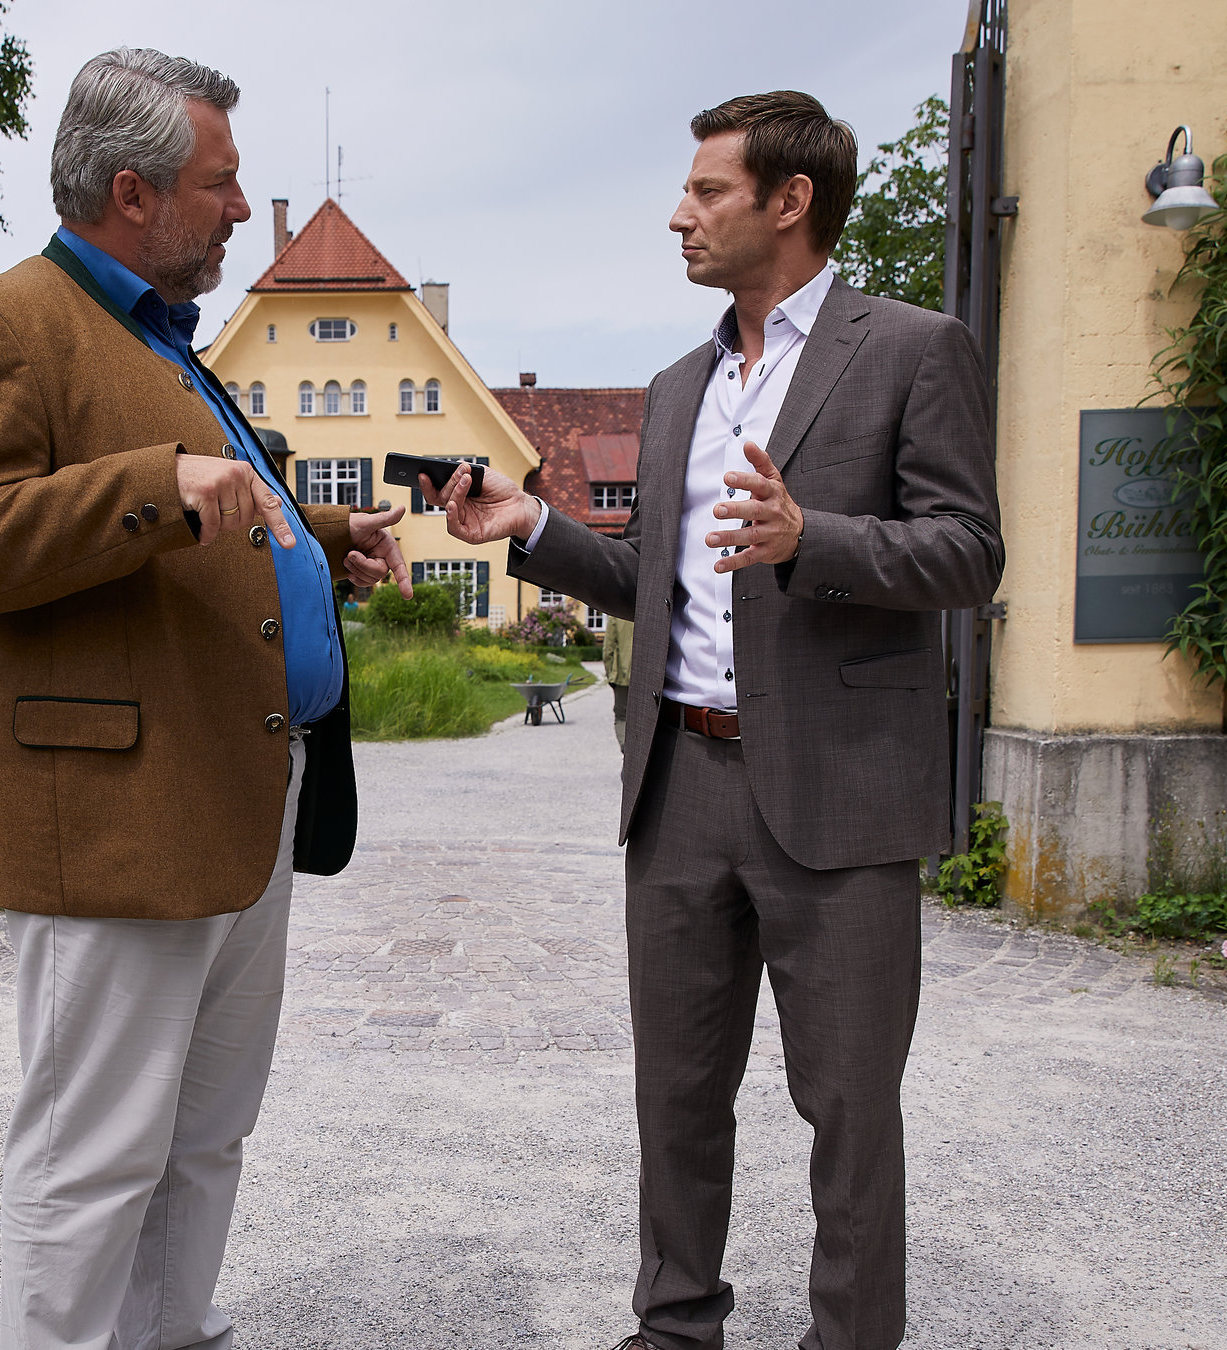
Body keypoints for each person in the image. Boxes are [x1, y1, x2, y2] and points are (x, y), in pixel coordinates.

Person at [423, 89, 1001, 1350]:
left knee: (849, 1103)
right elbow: (659, 575)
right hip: (679, 784)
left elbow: (968, 552)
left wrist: (813, 539)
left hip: (840, 793)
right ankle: (676, 1324)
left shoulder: (911, 349)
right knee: (677, 1092)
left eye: (706, 191)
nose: (678, 215)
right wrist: (534, 527)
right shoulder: (678, 385)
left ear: (790, 202)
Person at [0, 48, 410, 1350]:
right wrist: (156, 486)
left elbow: (200, 511)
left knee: (205, 1127)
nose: (242, 208)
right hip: (113, 817)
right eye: (219, 183)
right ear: (132, 191)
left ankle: (168, 1330)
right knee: (93, 1151)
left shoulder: (161, 337)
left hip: (233, 787)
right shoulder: (2, 324)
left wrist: (316, 537)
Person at [601, 612, 634, 745]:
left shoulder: (616, 614)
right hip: (648, 678)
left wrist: (610, 675)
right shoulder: (650, 612)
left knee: (622, 717)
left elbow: (608, 649)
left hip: (622, 676)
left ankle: (626, 750)